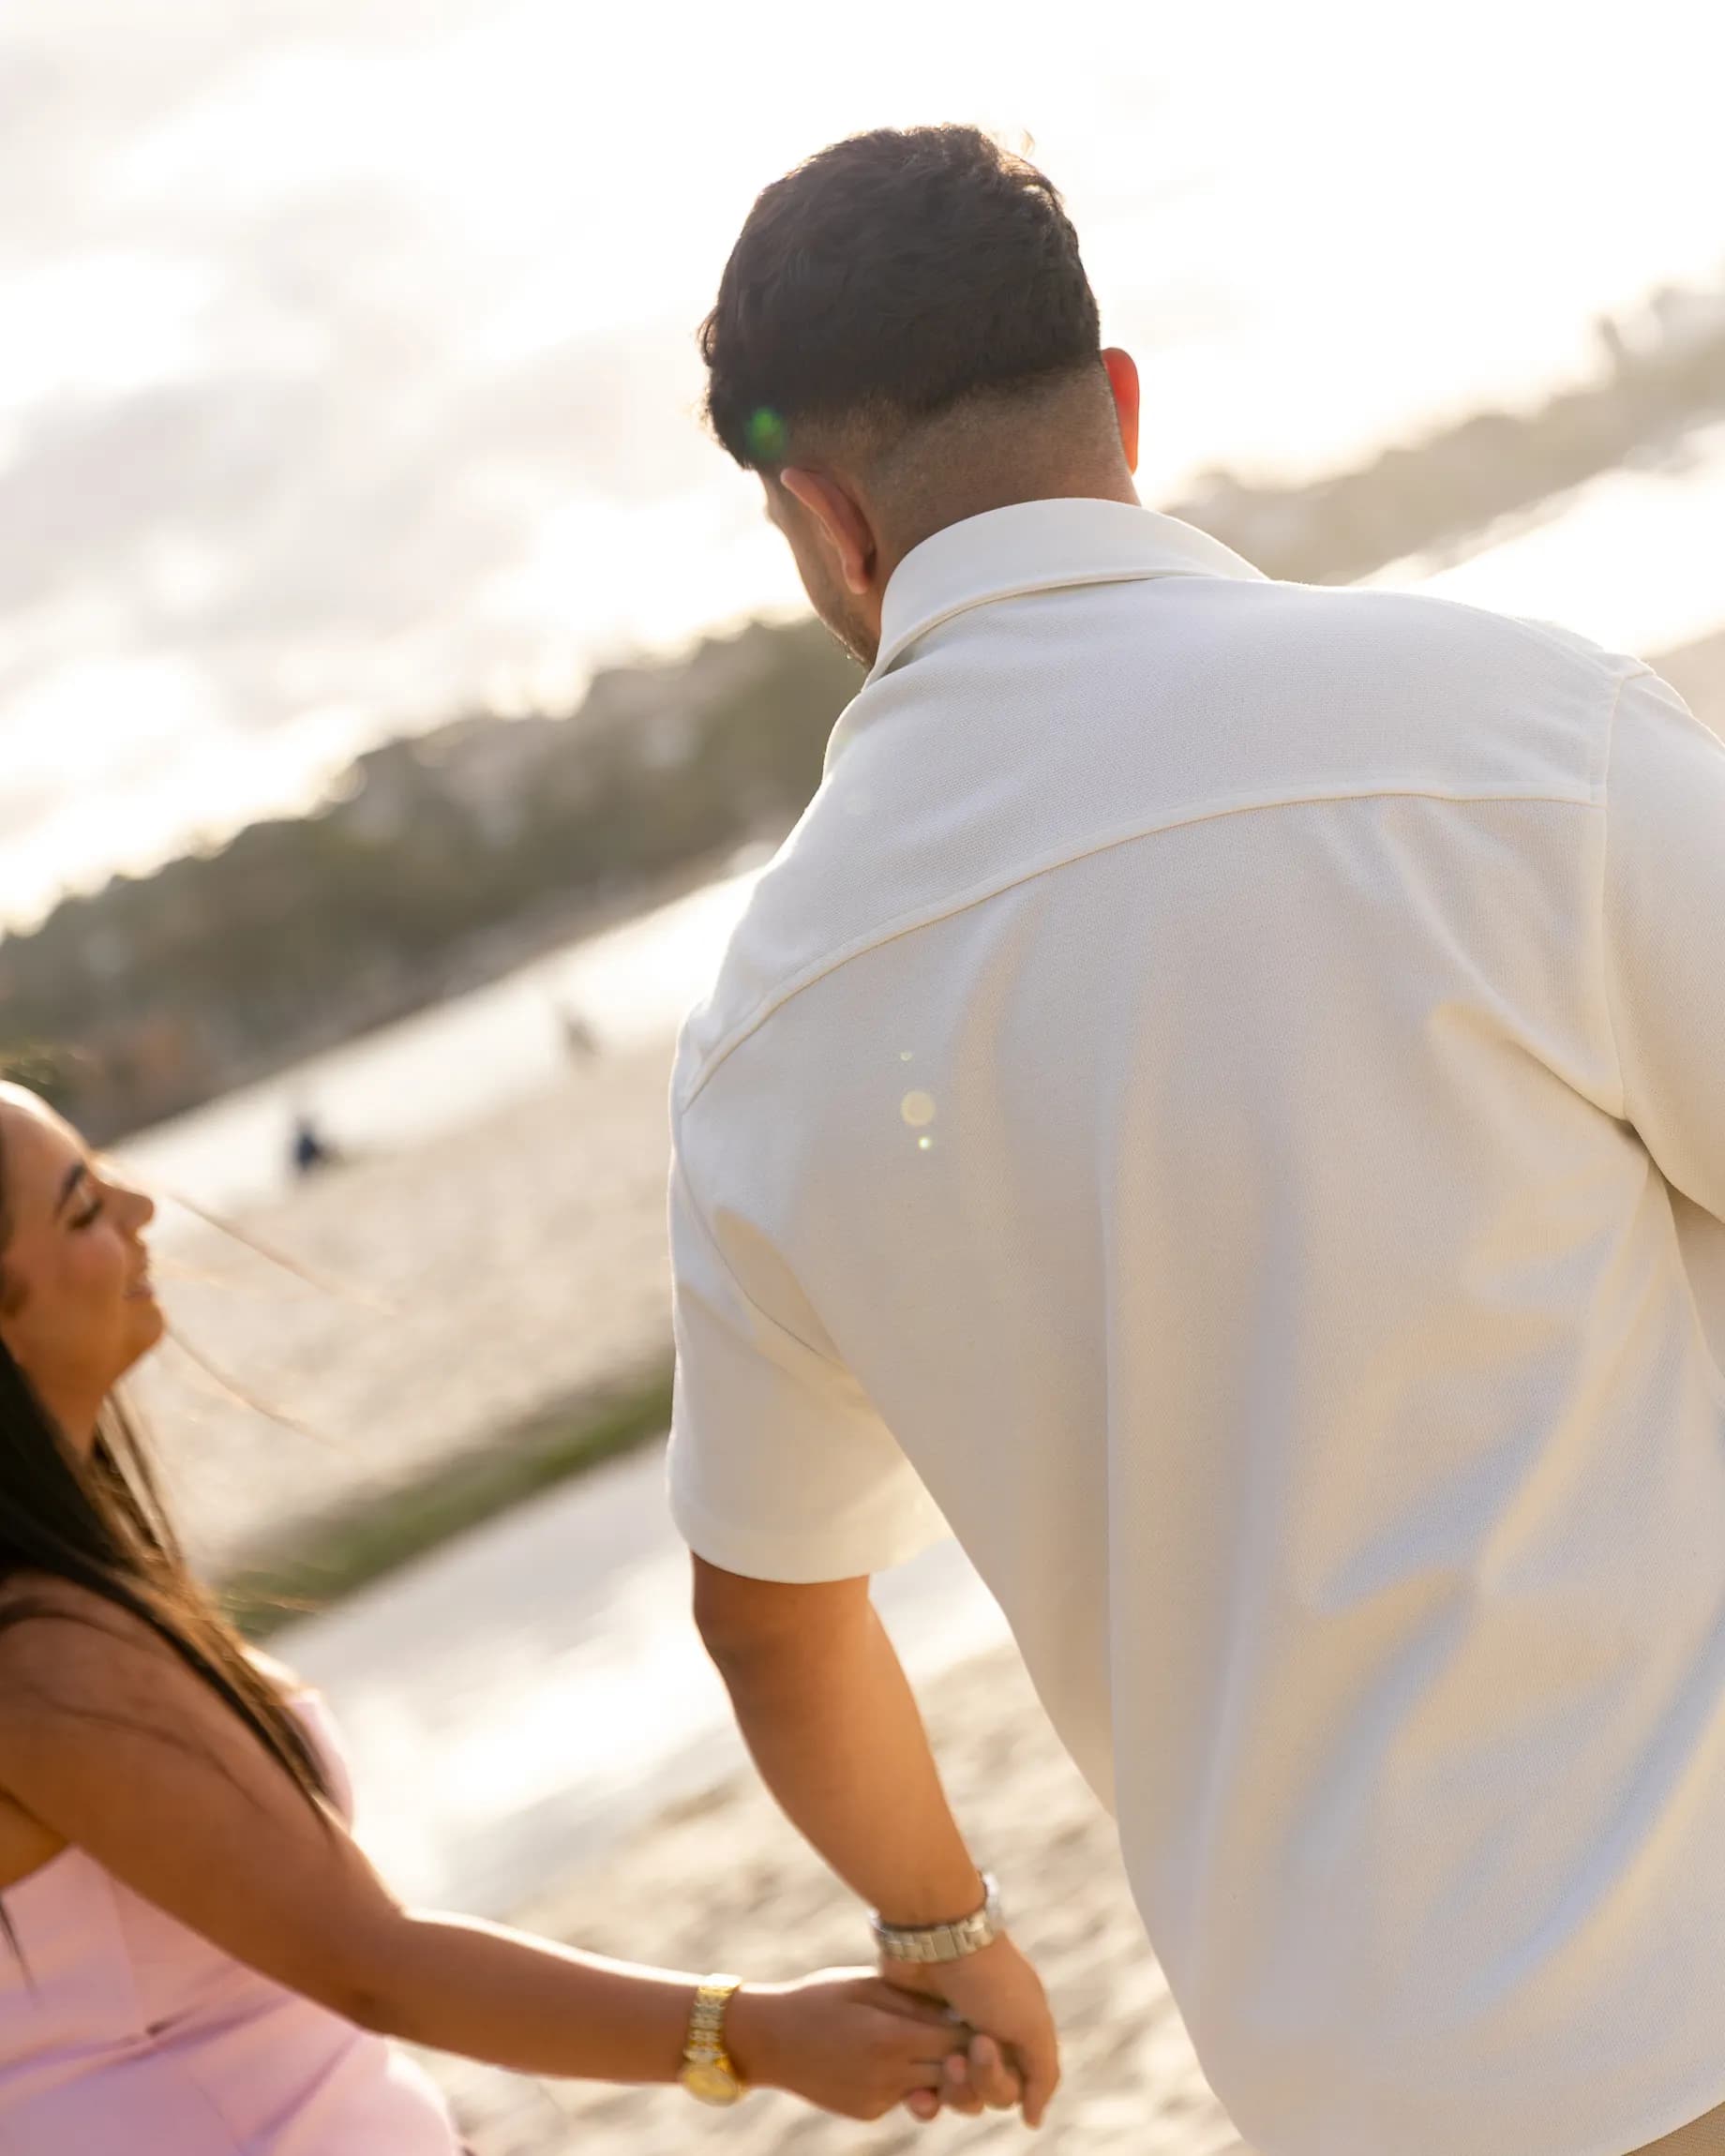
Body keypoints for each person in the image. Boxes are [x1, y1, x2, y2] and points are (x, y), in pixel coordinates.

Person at [667, 123, 1725, 2156]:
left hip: (1364, 2092)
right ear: (1120, 404)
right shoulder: (1506, 729)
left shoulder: (761, 1032)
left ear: (823, 517)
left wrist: (943, 1921)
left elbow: (769, 1613)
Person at [0, 1081, 1017, 2149]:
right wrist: (751, 2032)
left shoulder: (66, 1601)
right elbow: (372, 1964)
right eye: (80, 1207)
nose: (137, 1207)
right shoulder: (45, 1652)